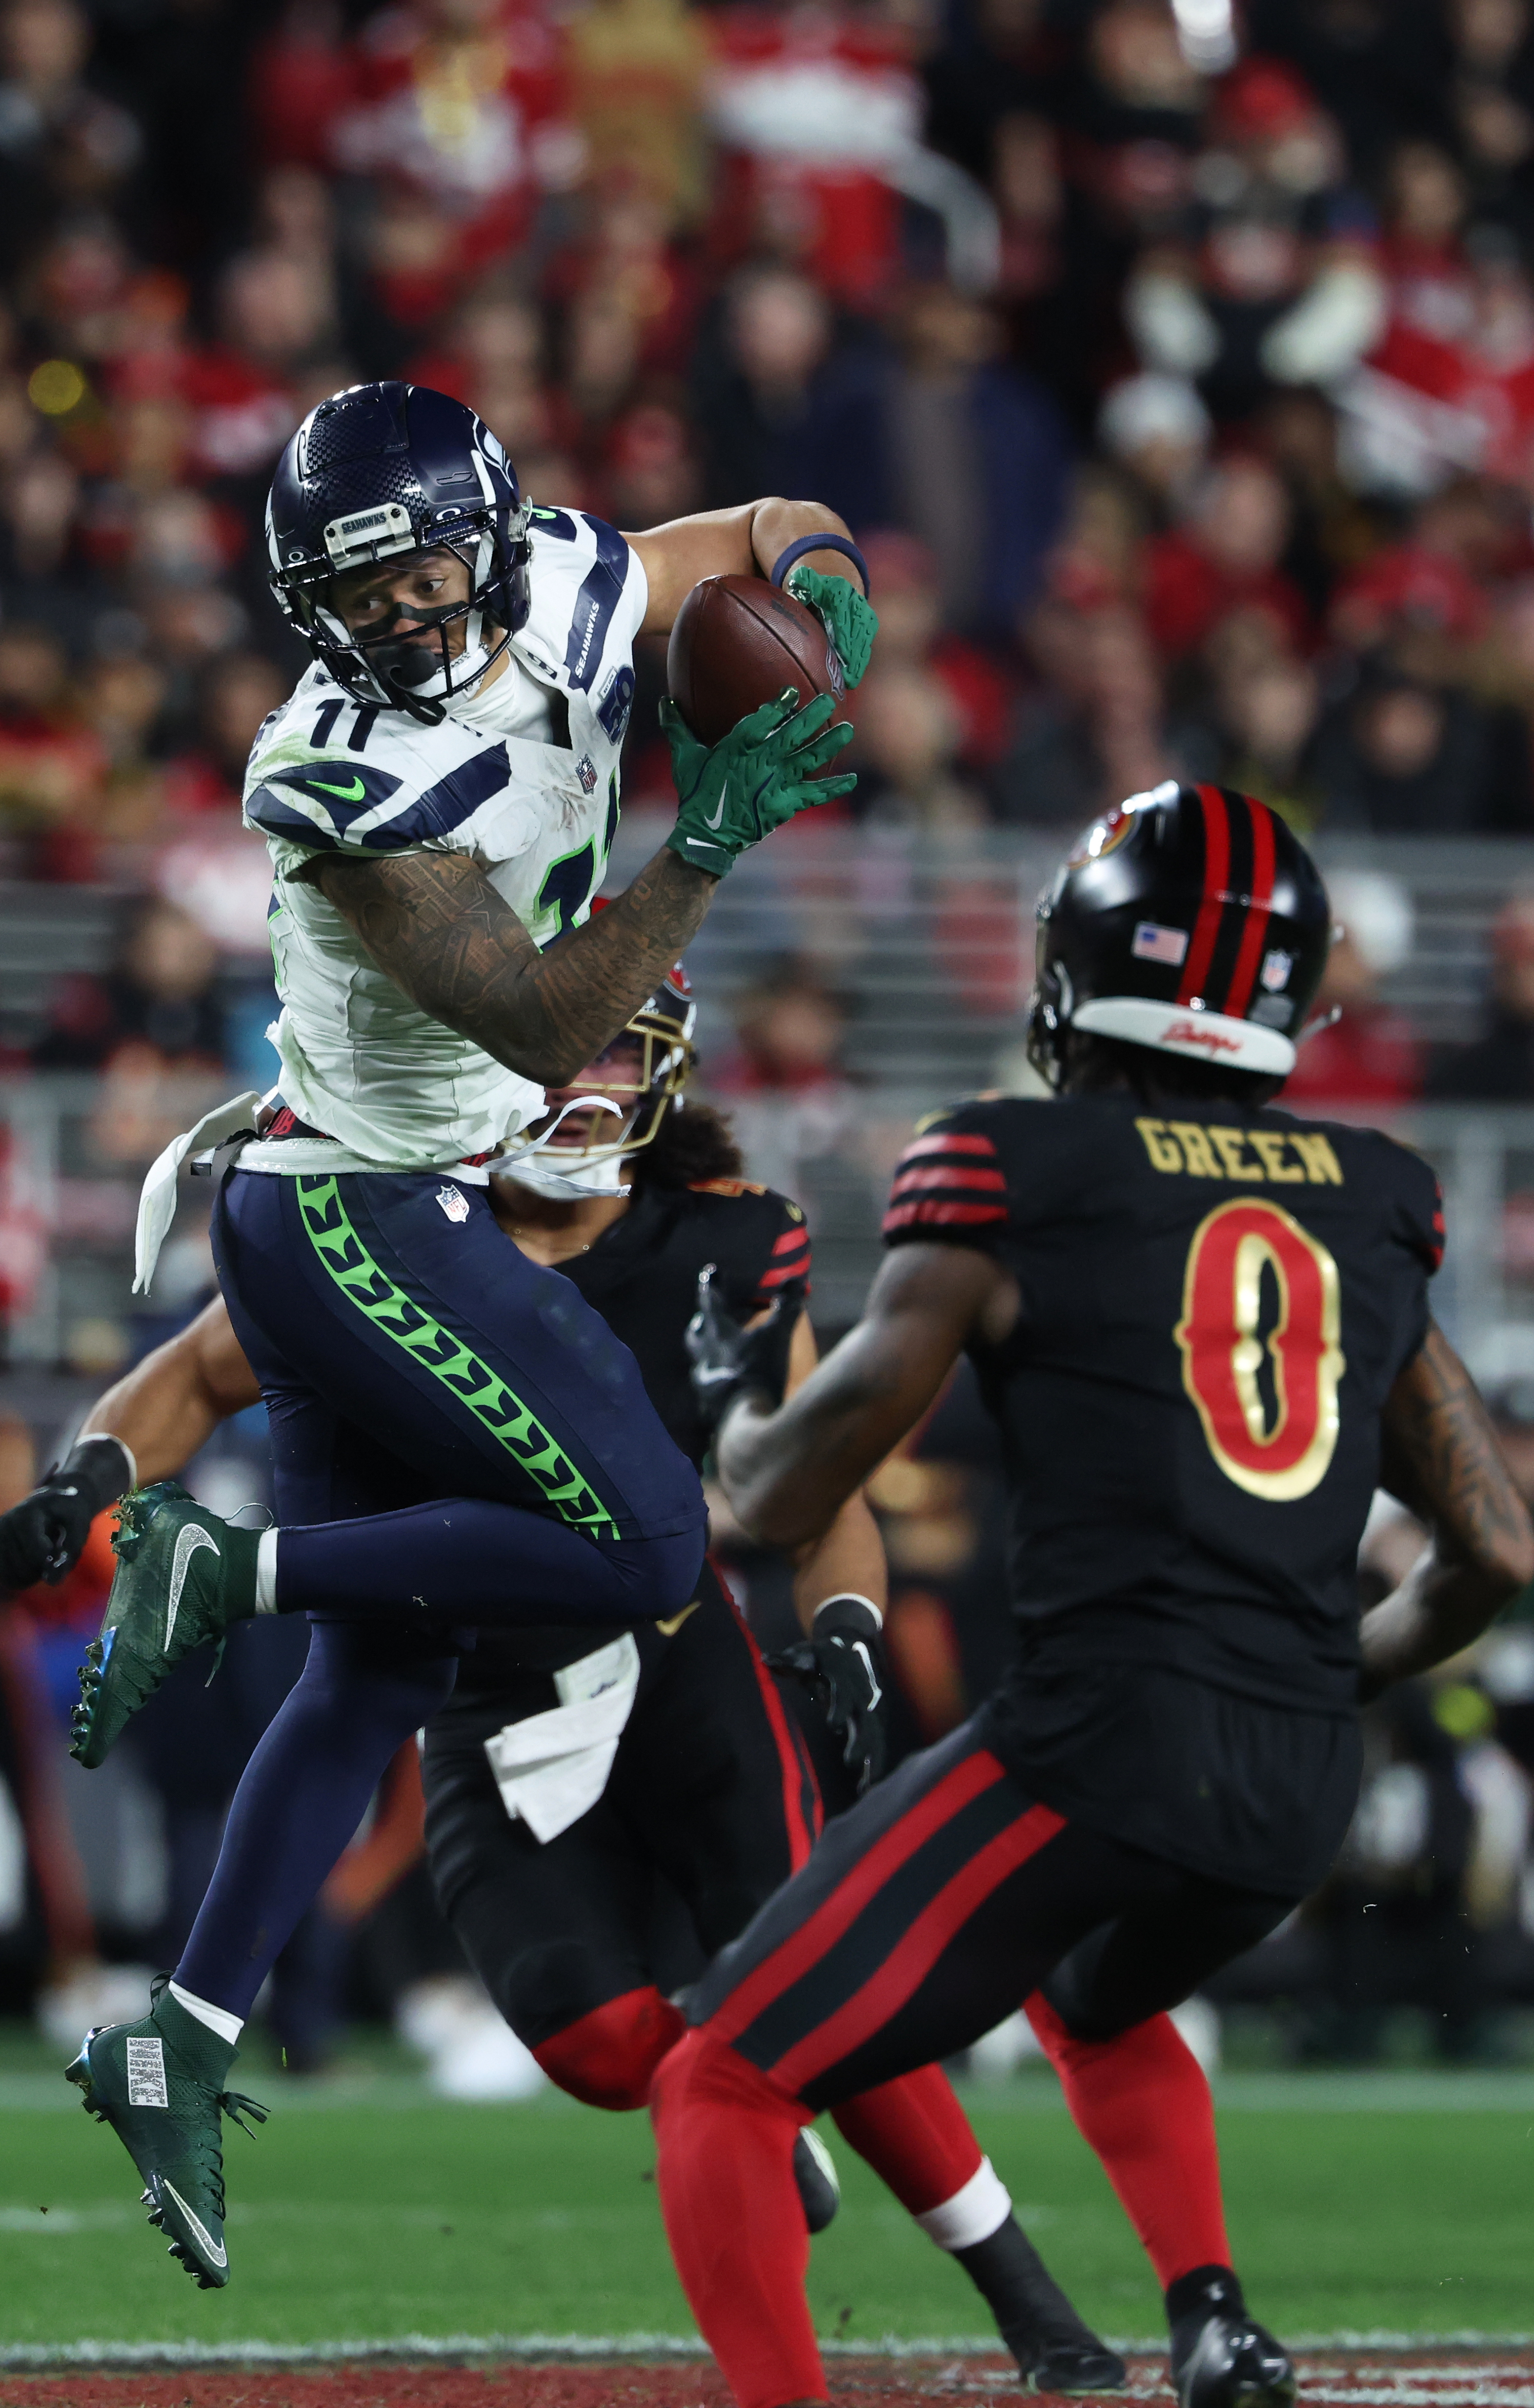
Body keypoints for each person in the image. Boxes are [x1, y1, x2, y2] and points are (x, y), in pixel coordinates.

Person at [7, 377, 878, 2291]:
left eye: (419, 566)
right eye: (357, 584)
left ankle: (181, 2033)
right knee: (651, 1543)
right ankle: (224, 1569)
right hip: (354, 1210)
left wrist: (827, 591)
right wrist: (711, 837)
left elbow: (759, 532)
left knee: (379, 1680)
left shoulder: (567, 577)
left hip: (376, 1195)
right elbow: (548, 1026)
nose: (399, 609)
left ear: (486, 529)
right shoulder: (324, 772)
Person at [0, 979, 1123, 2389]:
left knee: (812, 1992)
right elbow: (197, 1371)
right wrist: (84, 1475)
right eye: (535, 1051)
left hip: (681, 1671)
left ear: (661, 1076)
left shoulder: (721, 1240)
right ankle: (735, 2103)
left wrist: (840, 1621)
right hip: (488, 1694)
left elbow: (818, 1474)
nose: (571, 1085)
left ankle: (1029, 2303)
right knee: (595, 2045)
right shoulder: (393, 1230)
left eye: (603, 1055)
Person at [650, 779, 1534, 2408]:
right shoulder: (1373, 1196)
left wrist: (724, 1398)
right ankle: (1211, 2317)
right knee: (1092, 1995)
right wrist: (1331, 1672)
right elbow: (1494, 1553)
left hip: (1099, 1743)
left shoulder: (1012, 1164)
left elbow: (780, 1493)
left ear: (1078, 967)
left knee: (723, 2077)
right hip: (1291, 1783)